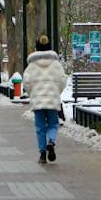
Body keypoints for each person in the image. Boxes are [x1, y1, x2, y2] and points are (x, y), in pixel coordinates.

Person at [22, 33, 70, 163]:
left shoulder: (31, 66)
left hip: (37, 100)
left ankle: (42, 154)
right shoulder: (56, 65)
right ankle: (51, 141)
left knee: (40, 127)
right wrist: (56, 91)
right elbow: (63, 80)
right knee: (53, 124)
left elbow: (26, 82)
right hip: (52, 99)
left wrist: (32, 93)